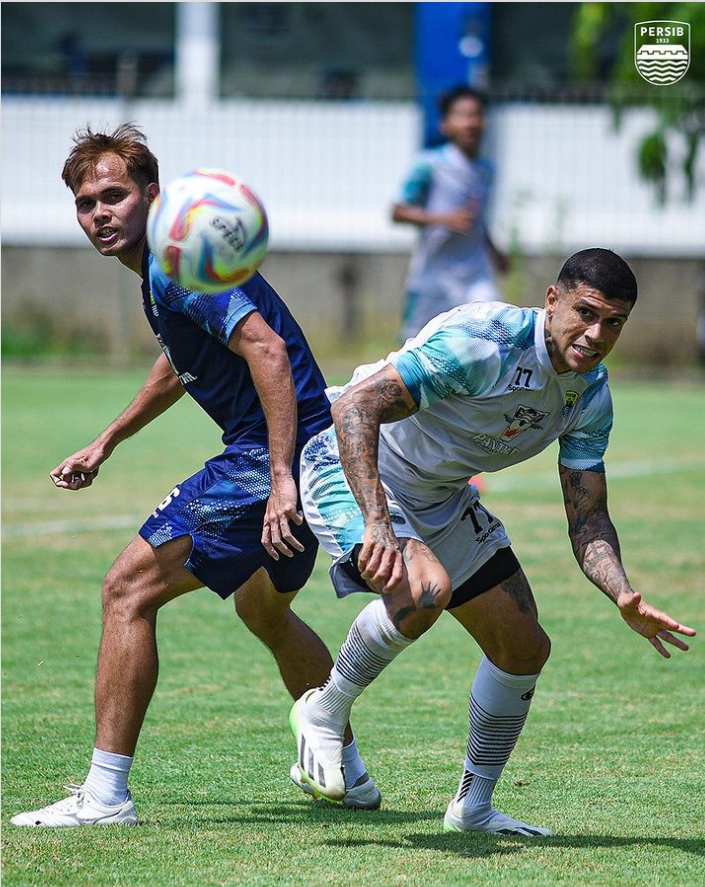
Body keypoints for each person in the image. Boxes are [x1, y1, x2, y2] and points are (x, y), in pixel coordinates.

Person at [11, 124, 379, 827]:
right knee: (262, 609)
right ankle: (350, 776)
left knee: (126, 589)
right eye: (86, 203)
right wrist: (107, 440)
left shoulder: (175, 265)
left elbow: (266, 352)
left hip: (267, 457)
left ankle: (105, 795)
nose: (101, 213)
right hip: (301, 449)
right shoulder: (175, 267)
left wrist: (279, 478)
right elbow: (179, 363)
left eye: (115, 195)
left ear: (152, 194)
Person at [288, 248, 696, 836]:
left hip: (441, 496)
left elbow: (589, 520)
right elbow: (356, 407)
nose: (596, 333)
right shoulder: (484, 342)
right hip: (353, 463)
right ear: (551, 300)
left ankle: (472, 807)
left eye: (614, 323)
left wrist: (623, 594)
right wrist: (378, 522)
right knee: (425, 590)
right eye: (586, 312)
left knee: (524, 646)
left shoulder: (589, 394)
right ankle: (323, 712)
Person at [392, 85, 509, 342]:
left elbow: (477, 220)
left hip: (475, 274)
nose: (470, 122)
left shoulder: (485, 170)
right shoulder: (429, 165)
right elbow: (398, 211)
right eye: (462, 115)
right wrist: (442, 219)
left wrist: (494, 250)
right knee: (414, 345)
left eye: (476, 114)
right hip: (433, 275)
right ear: (446, 124)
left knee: (494, 335)